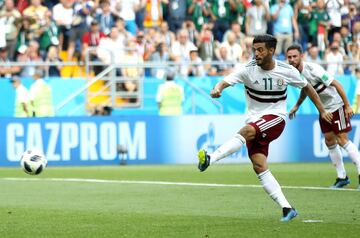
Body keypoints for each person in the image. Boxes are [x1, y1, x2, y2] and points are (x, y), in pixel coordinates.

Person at [197, 34, 333, 222]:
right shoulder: (248, 70)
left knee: (246, 131)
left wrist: (321, 110)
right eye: (254, 49)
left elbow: (307, 87)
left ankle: (210, 159)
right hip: (254, 119)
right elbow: (226, 81)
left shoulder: (286, 70)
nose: (257, 53)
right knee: (259, 166)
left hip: (276, 118)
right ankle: (287, 208)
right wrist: (218, 88)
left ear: (271, 51)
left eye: (260, 50)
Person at [287, 44, 360, 189]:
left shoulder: (314, 69)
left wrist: (347, 105)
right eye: (289, 57)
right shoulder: (295, 74)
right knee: (329, 141)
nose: (292, 59)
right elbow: (306, 89)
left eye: (295, 56)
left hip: (336, 106)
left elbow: (337, 84)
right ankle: (342, 177)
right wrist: (297, 105)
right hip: (324, 110)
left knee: (342, 139)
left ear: (301, 56)